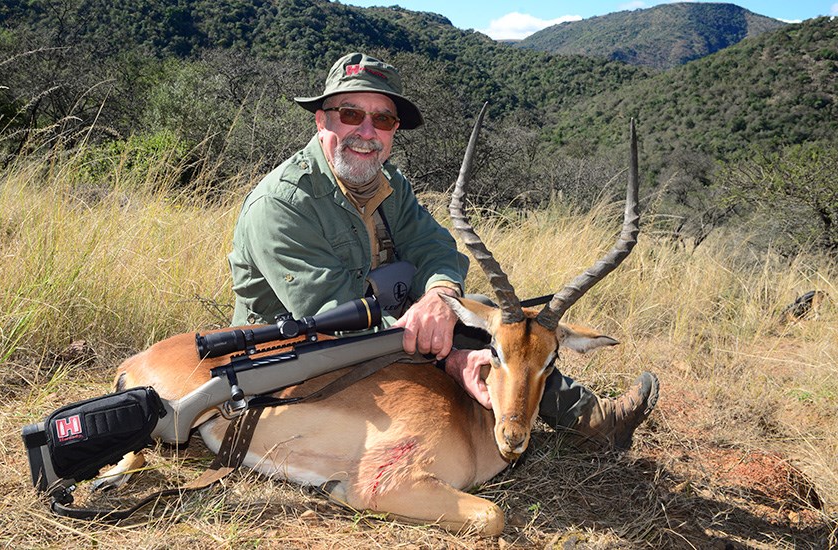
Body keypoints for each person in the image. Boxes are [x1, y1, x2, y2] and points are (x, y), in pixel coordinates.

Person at [227, 52, 657, 449]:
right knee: (465, 342)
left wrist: (440, 295)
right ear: (322, 121)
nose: (366, 131)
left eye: (383, 120)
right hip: (302, 352)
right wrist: (447, 355)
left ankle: (596, 420)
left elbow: (435, 247)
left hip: (383, 326)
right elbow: (330, 312)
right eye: (351, 114)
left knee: (492, 316)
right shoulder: (282, 205)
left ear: (394, 130)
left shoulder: (387, 182)